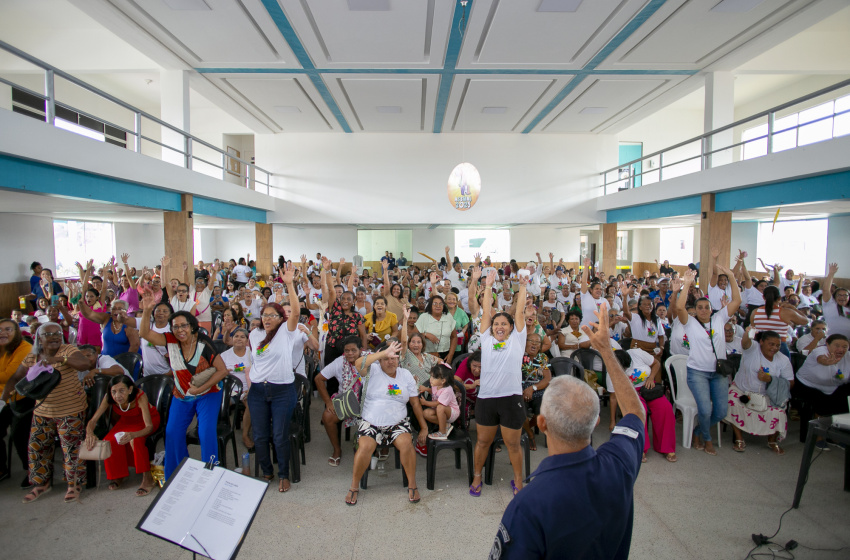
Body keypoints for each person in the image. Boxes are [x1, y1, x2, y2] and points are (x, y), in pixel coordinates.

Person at [491, 302, 646, 560]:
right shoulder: (619, 464)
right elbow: (635, 413)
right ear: (595, 422)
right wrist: (607, 352)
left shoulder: (528, 504)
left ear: (541, 423)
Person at [139, 292, 228, 480]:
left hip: (208, 393)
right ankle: (179, 473)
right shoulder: (170, 341)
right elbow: (144, 333)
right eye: (175, 326)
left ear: (192, 327)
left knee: (205, 432)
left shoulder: (204, 344)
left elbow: (222, 371)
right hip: (182, 394)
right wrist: (147, 311)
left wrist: (199, 389)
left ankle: (210, 473)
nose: (180, 330)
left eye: (184, 325)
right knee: (172, 432)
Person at [1, 323, 90, 503]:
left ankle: (74, 484)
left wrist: (60, 360)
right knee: (37, 447)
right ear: (39, 338)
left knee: (71, 448)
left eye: (57, 333)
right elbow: (16, 377)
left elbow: (85, 364)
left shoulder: (68, 349)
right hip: (43, 411)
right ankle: (41, 484)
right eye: (48, 334)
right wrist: (3, 400)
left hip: (70, 409)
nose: (54, 336)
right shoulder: (33, 355)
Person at [345, 341, 428, 506]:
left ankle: (412, 484)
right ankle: (354, 486)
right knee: (366, 447)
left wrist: (424, 427)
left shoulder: (405, 376)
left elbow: (415, 404)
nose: (391, 361)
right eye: (386, 358)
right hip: (371, 422)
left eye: (394, 358)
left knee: (406, 444)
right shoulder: (372, 370)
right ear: (380, 360)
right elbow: (357, 362)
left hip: (397, 423)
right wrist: (382, 353)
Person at [470, 268, 527, 498]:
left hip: (511, 397)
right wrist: (488, 285)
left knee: (513, 445)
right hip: (487, 398)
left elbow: (520, 310)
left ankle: (518, 480)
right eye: (496, 324)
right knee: (483, 442)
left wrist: (522, 286)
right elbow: (485, 310)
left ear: (511, 327)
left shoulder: (517, 340)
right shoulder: (486, 337)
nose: (500, 326)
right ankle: (477, 476)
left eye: (504, 324)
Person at [674, 263, 741, 456]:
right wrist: (687, 284)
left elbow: (737, 300)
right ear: (695, 310)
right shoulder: (691, 324)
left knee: (720, 412)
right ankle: (707, 439)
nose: (703, 310)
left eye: (707, 307)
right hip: (698, 373)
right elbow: (679, 307)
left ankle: (697, 431)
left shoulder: (719, 319)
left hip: (718, 372)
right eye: (700, 307)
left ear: (711, 309)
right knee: (704, 410)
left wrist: (731, 277)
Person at [246, 263, 301, 493]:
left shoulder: (287, 333)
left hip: (282, 391)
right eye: (264, 315)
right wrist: (251, 388)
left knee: (279, 435)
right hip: (259, 390)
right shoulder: (254, 334)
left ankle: (283, 474)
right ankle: (266, 471)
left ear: (280, 318)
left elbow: (296, 312)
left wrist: (289, 284)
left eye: (272, 315)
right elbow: (254, 364)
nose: (267, 319)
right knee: (259, 436)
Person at [84, 375, 159, 495]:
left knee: (136, 440)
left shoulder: (139, 396)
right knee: (109, 440)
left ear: (130, 389)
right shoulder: (109, 397)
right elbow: (93, 420)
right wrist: (89, 433)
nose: (117, 395)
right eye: (113, 391)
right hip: (126, 421)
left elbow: (149, 426)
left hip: (145, 422)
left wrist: (133, 435)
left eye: (121, 391)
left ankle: (147, 478)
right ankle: (119, 475)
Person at [726, 328, 794, 454]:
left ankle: (772, 441)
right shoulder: (753, 349)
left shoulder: (783, 360)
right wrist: (747, 332)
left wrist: (770, 380)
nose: (774, 348)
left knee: (780, 410)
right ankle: (739, 439)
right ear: (761, 342)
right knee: (732, 400)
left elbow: (790, 383)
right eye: (771, 344)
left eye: (778, 345)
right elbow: (745, 343)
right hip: (742, 390)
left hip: (768, 395)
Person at [608, 348, 677, 463]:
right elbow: (613, 397)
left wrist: (651, 378)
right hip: (631, 392)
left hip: (649, 388)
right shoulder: (612, 371)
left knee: (665, 408)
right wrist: (612, 421)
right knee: (640, 412)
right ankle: (641, 448)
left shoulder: (637, 353)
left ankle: (666, 447)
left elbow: (656, 363)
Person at [794, 334, 850, 449]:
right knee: (822, 399)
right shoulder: (820, 351)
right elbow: (821, 359)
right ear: (827, 345)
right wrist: (828, 362)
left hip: (832, 387)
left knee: (845, 399)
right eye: (837, 345)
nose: (841, 349)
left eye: (845, 346)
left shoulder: (848, 356)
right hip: (808, 385)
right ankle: (818, 436)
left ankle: (835, 435)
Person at [0, 319, 34, 484]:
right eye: (0, 330)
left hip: (23, 399)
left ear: (16, 333)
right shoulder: (3, 350)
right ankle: (1, 467)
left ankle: (32, 471)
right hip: (3, 400)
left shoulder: (25, 348)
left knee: (19, 435)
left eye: (8, 329)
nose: (3, 333)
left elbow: (10, 376)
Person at [220, 328, 253, 451]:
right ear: (232, 339)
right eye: (236, 336)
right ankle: (221, 432)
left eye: (242, 337)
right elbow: (218, 374)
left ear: (247, 340)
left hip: (248, 388)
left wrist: (250, 389)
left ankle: (245, 436)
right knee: (219, 405)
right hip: (231, 390)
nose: (239, 339)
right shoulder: (224, 355)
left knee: (250, 405)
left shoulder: (252, 353)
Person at [520, 333, 551, 451]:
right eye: (530, 341)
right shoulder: (518, 355)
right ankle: (530, 434)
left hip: (537, 389)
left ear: (540, 346)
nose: (533, 343)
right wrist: (525, 390)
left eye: (537, 342)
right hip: (520, 390)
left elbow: (547, 379)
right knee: (519, 410)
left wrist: (532, 389)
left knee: (542, 412)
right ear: (525, 342)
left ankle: (526, 428)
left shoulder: (542, 358)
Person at [415, 290, 458, 362]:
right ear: (430, 305)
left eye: (441, 304)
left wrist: (450, 355)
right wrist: (426, 334)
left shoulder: (448, 316)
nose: (438, 306)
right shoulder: (424, 317)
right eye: (435, 304)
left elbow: (454, 337)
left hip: (445, 354)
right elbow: (414, 334)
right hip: (427, 354)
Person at [420, 363, 460, 440]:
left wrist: (425, 403)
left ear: (443, 381)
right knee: (426, 413)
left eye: (434, 377)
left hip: (451, 413)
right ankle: (446, 426)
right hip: (439, 411)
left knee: (440, 407)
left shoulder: (447, 390)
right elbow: (434, 392)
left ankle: (442, 432)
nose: (431, 379)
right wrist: (426, 389)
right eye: (431, 376)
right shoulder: (436, 385)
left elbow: (437, 403)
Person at [821, 264, 850, 339]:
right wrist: (831, 274)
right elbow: (826, 290)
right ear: (834, 297)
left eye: (845, 295)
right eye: (839, 295)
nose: (842, 297)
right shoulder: (830, 304)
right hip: (831, 340)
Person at [579, 258, 606, 328]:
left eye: (600, 289)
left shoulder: (604, 301)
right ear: (591, 290)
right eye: (596, 289)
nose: (599, 291)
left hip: (599, 331)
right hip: (585, 330)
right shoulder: (586, 296)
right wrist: (586, 267)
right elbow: (584, 282)